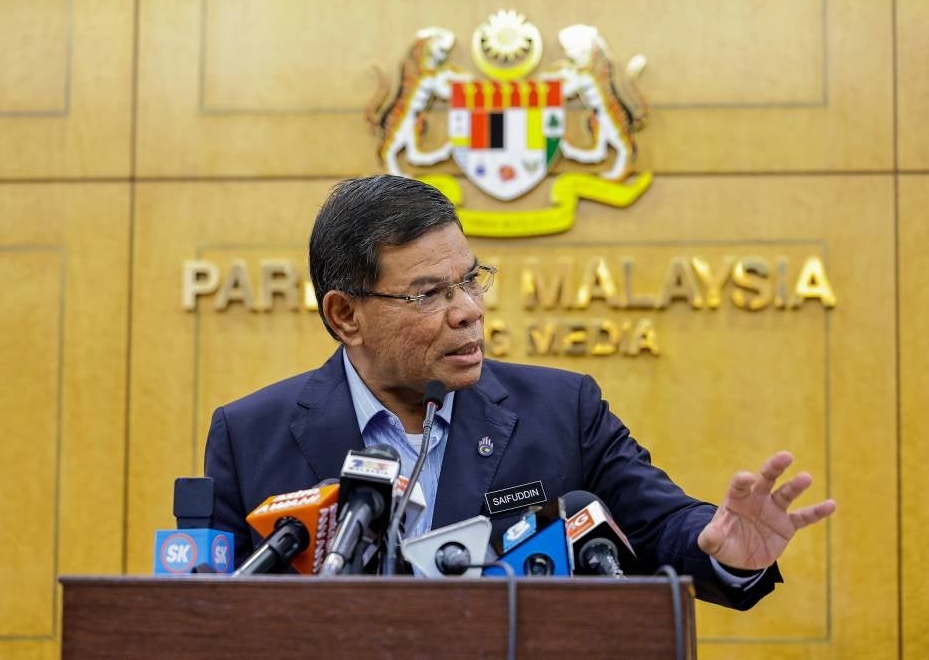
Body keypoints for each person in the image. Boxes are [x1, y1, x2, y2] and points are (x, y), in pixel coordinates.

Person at [203, 174, 836, 609]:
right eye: (429, 294)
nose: (468, 312)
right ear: (345, 315)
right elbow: (207, 614)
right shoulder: (248, 435)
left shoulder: (564, 410)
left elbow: (665, 524)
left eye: (470, 281)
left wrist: (722, 547)